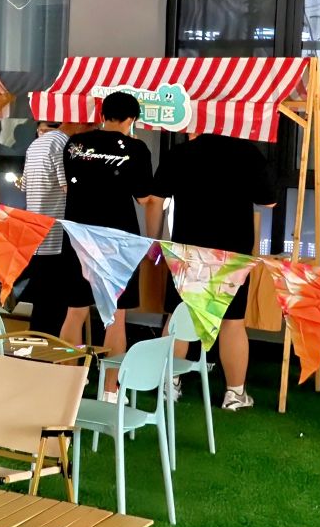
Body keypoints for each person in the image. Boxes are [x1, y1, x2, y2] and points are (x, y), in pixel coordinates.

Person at [153, 133, 277, 411]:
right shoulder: (247, 152)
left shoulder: (180, 153)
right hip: (232, 253)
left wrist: (153, 238)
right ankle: (235, 394)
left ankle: (169, 384)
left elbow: (156, 196)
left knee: (179, 317)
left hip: (187, 250)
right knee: (232, 322)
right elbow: (269, 201)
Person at [59, 92, 161, 400]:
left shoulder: (74, 144)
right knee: (115, 318)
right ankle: (109, 391)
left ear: (103, 115)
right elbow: (144, 198)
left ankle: (68, 387)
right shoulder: (136, 149)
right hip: (118, 242)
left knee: (74, 312)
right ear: (132, 119)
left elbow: (72, 186)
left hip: (78, 237)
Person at [20, 121, 73, 335]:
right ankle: (46, 349)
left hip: (37, 232)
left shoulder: (35, 144)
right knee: (54, 305)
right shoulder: (61, 143)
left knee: (42, 302)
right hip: (56, 235)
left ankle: (36, 345)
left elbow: (24, 184)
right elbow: (67, 187)